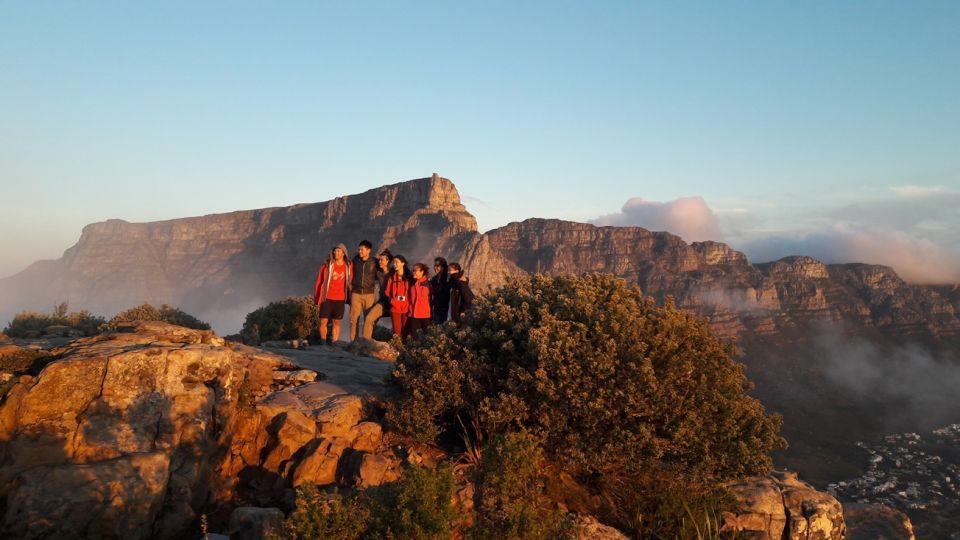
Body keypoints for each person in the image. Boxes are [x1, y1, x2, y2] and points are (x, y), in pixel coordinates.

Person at [313, 243, 352, 344]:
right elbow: (319, 280)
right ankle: (323, 343)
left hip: (340, 298)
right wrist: (318, 296)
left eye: (338, 251)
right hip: (327, 297)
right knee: (323, 321)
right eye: (335, 251)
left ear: (343, 253)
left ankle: (335, 344)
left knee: (337, 322)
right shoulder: (327, 265)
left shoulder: (348, 266)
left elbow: (351, 280)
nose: (336, 253)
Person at [349, 240, 379, 341]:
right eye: (359, 249)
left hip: (369, 294)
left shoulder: (375, 262)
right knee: (353, 319)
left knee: (368, 320)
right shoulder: (355, 260)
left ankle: (366, 342)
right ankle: (354, 342)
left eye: (362, 249)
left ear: (369, 250)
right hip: (356, 293)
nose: (360, 251)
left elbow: (381, 275)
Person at [362, 249, 393, 339]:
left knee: (397, 325)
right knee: (369, 318)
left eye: (382, 260)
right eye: (379, 259)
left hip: (394, 302)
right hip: (383, 302)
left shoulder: (393, 273)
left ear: (388, 261)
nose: (379, 261)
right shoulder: (379, 273)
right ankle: (366, 341)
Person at [385, 255, 413, 338]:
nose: (394, 264)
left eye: (396, 262)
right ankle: (397, 349)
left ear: (403, 263)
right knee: (397, 332)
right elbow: (387, 292)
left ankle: (405, 350)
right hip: (395, 308)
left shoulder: (409, 277)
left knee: (406, 332)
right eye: (394, 262)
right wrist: (392, 301)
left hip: (406, 308)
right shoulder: (392, 277)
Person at [407, 263, 433, 338]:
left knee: (427, 336)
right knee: (415, 337)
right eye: (413, 270)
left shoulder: (428, 284)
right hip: (413, 314)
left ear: (422, 272)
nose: (413, 272)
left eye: (415, 270)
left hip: (425, 315)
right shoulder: (411, 283)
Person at [430, 257, 451, 324]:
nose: (435, 267)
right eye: (435, 265)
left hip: (446, 309)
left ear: (443, 267)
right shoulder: (434, 279)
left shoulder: (448, 278)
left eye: (438, 266)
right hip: (436, 308)